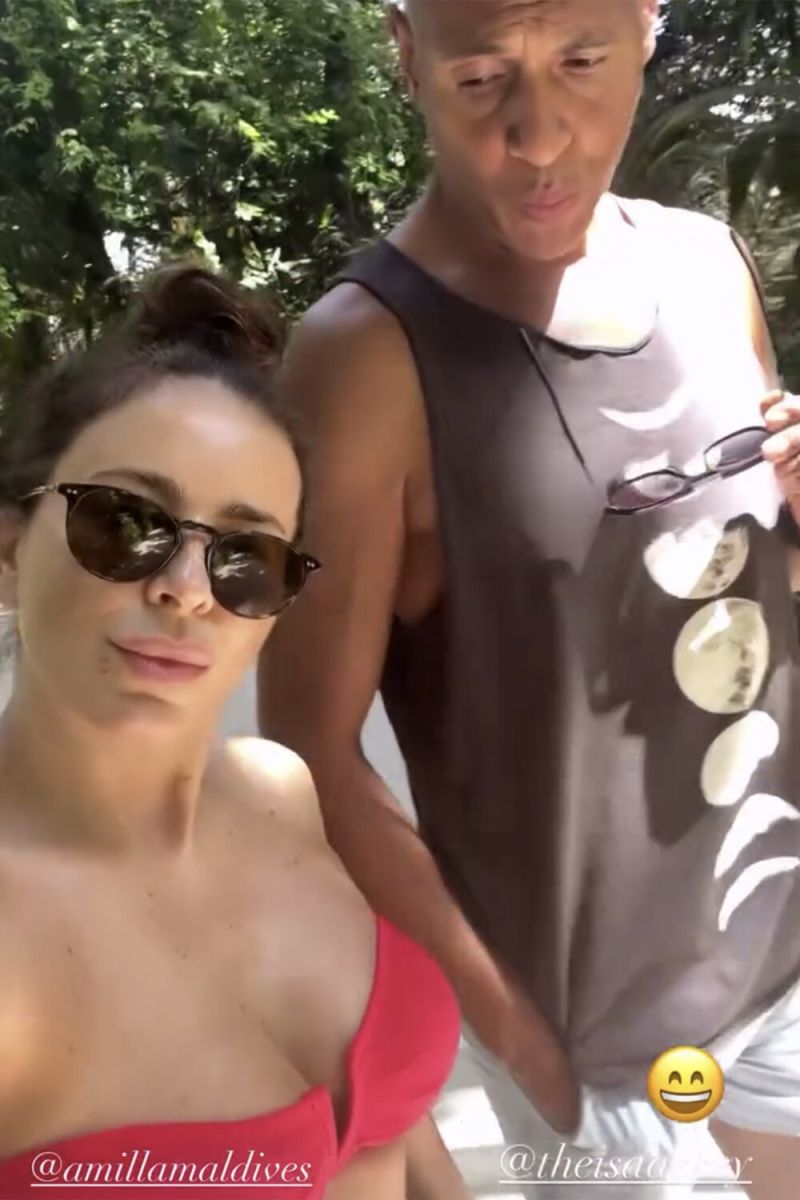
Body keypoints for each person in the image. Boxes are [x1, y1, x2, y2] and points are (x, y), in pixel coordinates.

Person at [258, 2, 800, 1197]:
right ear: (406, 55)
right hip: (596, 1043)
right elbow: (306, 753)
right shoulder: (365, 355)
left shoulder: (708, 263)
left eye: (581, 63)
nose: (540, 134)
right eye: (481, 77)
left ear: (648, 25)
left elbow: (751, 594)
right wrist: (523, 1046)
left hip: (778, 952)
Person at [0, 264, 464, 1200]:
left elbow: (396, 1134)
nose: (188, 588)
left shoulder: (278, 792)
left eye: (246, 555)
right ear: (10, 553)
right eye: (125, 523)